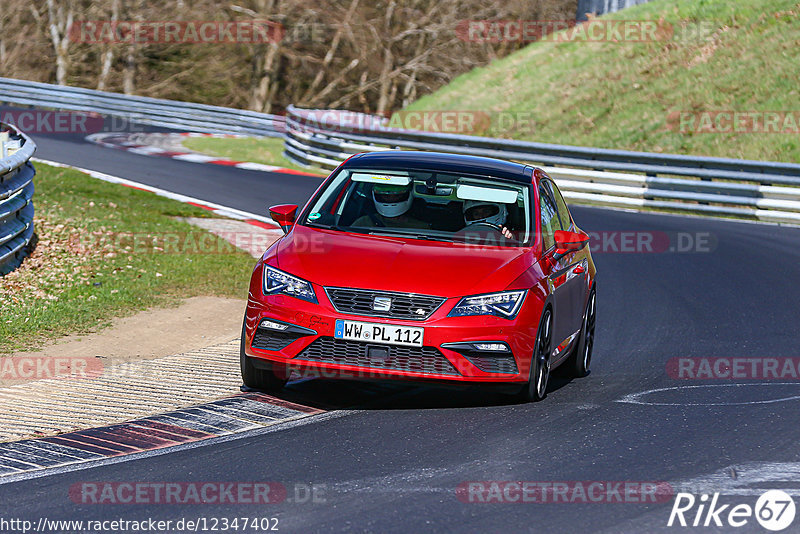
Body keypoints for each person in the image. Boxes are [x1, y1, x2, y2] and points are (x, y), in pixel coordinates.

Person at [352, 183, 430, 229]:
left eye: (397, 195)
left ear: (407, 195)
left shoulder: (421, 227)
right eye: (386, 196)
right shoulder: (364, 222)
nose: (391, 199)